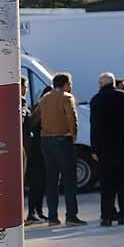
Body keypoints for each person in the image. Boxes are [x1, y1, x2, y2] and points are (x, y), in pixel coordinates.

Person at [33, 72, 86, 226]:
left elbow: (36, 118)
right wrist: (73, 134)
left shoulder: (44, 98)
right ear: (66, 84)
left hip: (46, 141)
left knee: (52, 180)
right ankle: (71, 216)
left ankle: (52, 217)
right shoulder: (67, 97)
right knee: (69, 179)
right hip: (63, 140)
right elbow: (72, 116)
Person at [90, 71, 124, 226]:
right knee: (122, 183)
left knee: (106, 185)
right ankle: (123, 215)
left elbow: (95, 127)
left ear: (101, 84)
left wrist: (94, 149)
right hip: (123, 148)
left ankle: (106, 217)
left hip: (105, 149)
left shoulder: (97, 100)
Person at [22, 78, 47, 224]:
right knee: (34, 182)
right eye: (25, 86)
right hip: (32, 150)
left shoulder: (34, 107)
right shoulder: (23, 103)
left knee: (36, 182)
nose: (26, 89)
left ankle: (35, 212)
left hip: (33, 149)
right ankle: (32, 213)